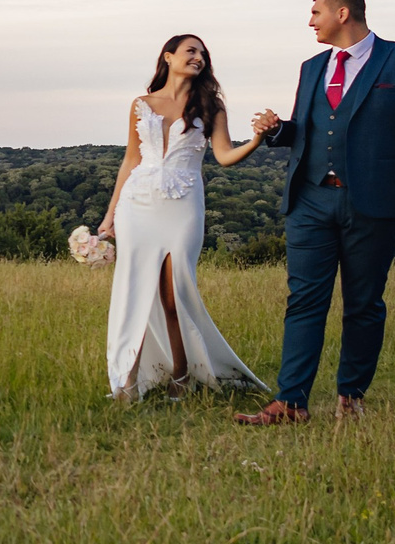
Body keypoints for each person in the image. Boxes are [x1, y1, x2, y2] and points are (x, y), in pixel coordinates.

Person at [235, 0, 395, 425]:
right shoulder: (312, 67)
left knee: (364, 303)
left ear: (344, 13)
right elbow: (310, 131)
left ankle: (351, 396)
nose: (310, 21)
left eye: (316, 12)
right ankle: (290, 403)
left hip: (374, 202)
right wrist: (277, 131)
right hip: (310, 200)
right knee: (303, 301)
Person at [98, 34, 269, 399]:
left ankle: (182, 375)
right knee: (135, 290)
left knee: (175, 294)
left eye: (203, 54)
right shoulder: (141, 104)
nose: (199, 58)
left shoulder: (211, 105)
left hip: (184, 204)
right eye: (191, 51)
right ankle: (127, 381)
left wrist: (255, 140)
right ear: (169, 56)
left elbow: (224, 156)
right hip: (137, 203)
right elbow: (131, 159)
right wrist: (111, 213)